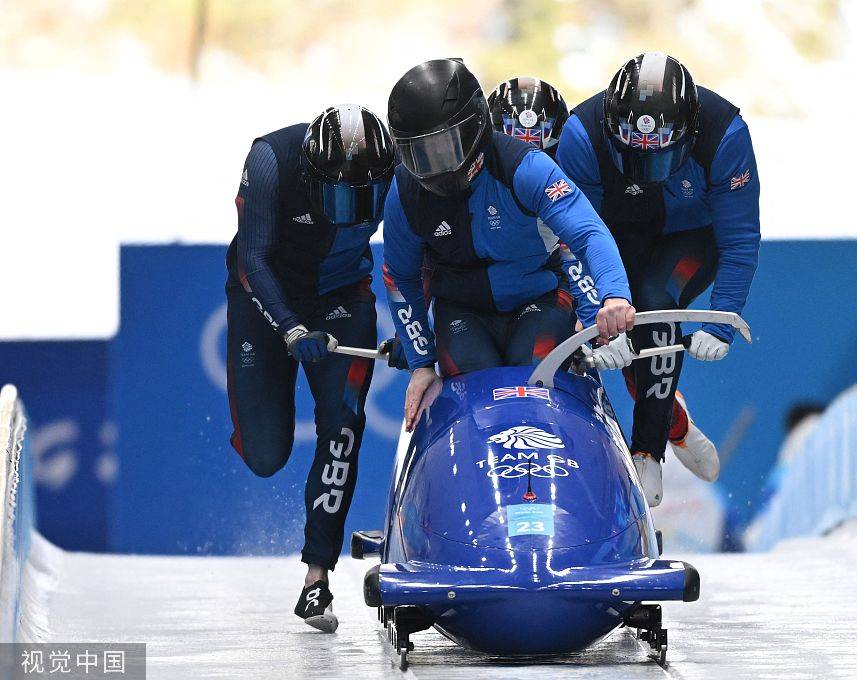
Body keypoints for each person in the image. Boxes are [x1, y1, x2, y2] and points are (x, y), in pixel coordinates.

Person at [487, 76, 719, 501]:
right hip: (496, 291)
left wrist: (593, 309)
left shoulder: (558, 180)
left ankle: (669, 429)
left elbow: (577, 248)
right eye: (515, 145)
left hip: (556, 286)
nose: (528, 158)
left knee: (607, 354)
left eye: (541, 148)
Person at [382, 59, 635, 429]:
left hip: (539, 300)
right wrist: (421, 363)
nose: (434, 166)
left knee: (533, 368)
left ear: (476, 127)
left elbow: (587, 232)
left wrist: (614, 296)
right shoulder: (404, 193)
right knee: (474, 378)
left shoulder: (525, 167)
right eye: (419, 154)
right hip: (463, 312)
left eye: (445, 148)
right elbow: (401, 277)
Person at [556, 52, 761, 503]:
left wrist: (721, 319)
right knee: (619, 334)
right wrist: (595, 315)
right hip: (612, 239)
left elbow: (740, 239)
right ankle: (676, 425)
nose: (647, 163)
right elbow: (573, 238)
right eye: (633, 149)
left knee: (652, 298)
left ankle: (647, 452)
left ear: (689, 132)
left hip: (690, 237)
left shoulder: (724, 134)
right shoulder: (581, 135)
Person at [225, 105, 394, 632]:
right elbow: (253, 257)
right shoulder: (270, 160)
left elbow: (423, 248)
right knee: (265, 455)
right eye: (339, 196)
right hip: (265, 297)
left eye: (361, 199)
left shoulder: (398, 170)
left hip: (343, 296)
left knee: (343, 423)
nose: (350, 212)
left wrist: (419, 335)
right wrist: (291, 329)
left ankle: (316, 578)